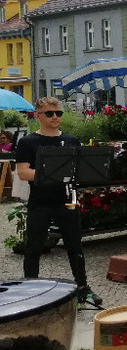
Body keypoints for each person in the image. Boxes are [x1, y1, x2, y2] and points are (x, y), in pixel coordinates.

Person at [15, 97, 101, 304]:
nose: (55, 117)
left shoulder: (71, 140)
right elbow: (23, 172)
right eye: (49, 113)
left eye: (58, 113)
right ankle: (31, 290)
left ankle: (82, 287)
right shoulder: (28, 142)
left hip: (66, 199)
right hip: (40, 202)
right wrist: (49, 174)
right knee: (34, 248)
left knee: (75, 247)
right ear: (37, 116)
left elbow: (79, 169)